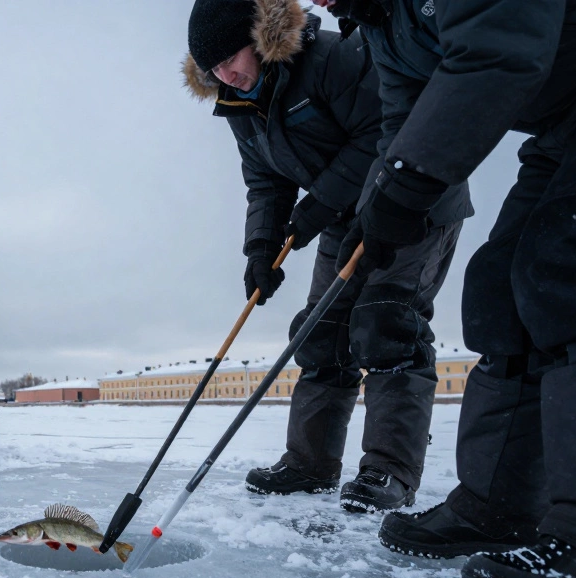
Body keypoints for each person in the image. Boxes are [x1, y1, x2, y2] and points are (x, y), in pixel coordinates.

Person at [318, 0, 576, 578]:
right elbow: (403, 124)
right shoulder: (380, 27)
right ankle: (498, 506)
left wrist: (410, 181)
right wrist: (373, 218)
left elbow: (500, 49)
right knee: (499, 285)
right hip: (569, 112)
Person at [185, 0, 471, 513]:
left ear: (257, 37)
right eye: (214, 70)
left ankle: (388, 471)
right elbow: (266, 182)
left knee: (386, 322)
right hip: (345, 214)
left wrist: (317, 206)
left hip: (413, 198)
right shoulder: (239, 102)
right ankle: (310, 463)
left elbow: (382, 129)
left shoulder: (331, 58)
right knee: (319, 334)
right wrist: (261, 249)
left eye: (231, 58)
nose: (226, 75)